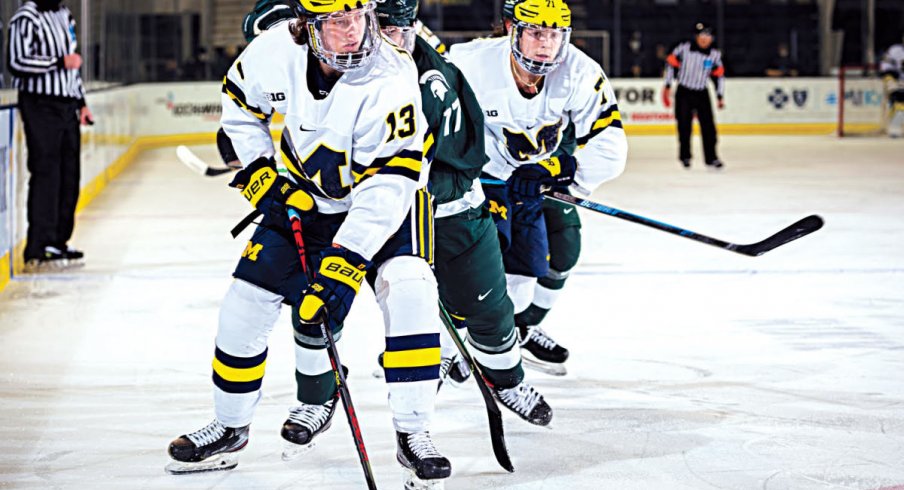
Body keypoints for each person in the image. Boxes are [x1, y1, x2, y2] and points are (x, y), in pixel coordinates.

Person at [166, 1, 451, 485]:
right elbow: (239, 107)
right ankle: (230, 427)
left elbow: (390, 184)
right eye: (337, 21)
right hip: (304, 202)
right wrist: (261, 177)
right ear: (306, 25)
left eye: (360, 16)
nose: (354, 32)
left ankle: (413, 432)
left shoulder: (392, 73)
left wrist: (344, 265)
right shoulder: (272, 51)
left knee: (411, 289)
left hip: (389, 207)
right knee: (243, 306)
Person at [447, 0, 628, 376]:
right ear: (513, 29)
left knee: (560, 250)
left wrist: (565, 168)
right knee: (481, 265)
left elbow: (612, 147)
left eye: (555, 34)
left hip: (542, 171)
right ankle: (451, 344)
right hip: (486, 176)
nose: (547, 44)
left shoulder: (580, 70)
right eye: (536, 33)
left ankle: (522, 327)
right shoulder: (469, 63)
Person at [7, 0, 93, 269]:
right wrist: (58, 62)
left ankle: (58, 241)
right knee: (47, 173)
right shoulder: (25, 18)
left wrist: (81, 103)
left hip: (67, 104)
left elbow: (73, 63)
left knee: (70, 174)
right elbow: (16, 62)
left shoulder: (64, 14)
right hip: (40, 103)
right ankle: (39, 245)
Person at [662, 22, 725, 169]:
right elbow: (670, 64)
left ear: (712, 39)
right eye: (701, 35)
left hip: (702, 93)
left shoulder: (715, 55)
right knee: (684, 126)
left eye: (708, 36)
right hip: (684, 92)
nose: (704, 39)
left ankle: (711, 158)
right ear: (696, 37)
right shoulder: (683, 49)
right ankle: (685, 156)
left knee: (709, 127)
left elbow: (719, 76)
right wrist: (667, 85)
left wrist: (720, 95)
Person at [879, 36, 904, 138]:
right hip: (899, 82)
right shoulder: (895, 50)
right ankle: (895, 127)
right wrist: (890, 80)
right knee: (899, 103)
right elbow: (885, 67)